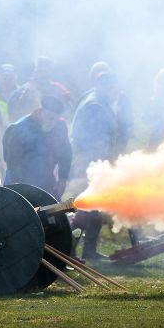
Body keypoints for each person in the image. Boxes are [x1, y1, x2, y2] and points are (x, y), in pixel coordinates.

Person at [70, 72, 126, 260]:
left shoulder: (97, 101)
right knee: (86, 210)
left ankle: (87, 251)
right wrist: (102, 161)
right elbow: (93, 139)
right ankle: (70, 248)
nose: (115, 91)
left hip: (93, 162)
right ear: (103, 86)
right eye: (112, 87)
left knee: (93, 210)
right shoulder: (95, 105)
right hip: (91, 162)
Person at [2, 96, 72, 199]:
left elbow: (66, 152)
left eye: (54, 119)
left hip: (47, 184)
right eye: (48, 117)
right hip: (19, 186)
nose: (51, 121)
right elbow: (13, 164)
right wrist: (21, 192)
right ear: (40, 111)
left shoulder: (60, 126)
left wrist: (62, 178)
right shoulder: (17, 130)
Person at [7, 56, 72, 122]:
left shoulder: (58, 90)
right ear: (34, 72)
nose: (43, 74)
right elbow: (13, 114)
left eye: (46, 71)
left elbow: (69, 112)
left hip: (53, 129)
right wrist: (25, 95)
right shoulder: (22, 91)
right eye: (40, 71)